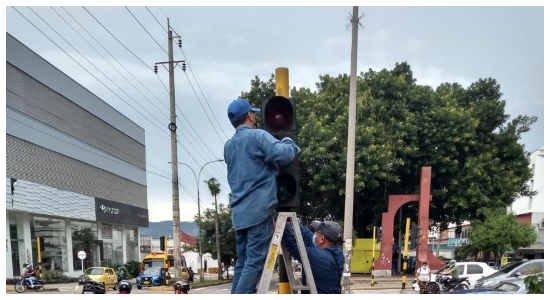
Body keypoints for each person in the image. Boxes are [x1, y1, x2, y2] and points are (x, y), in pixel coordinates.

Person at [224, 98, 301, 294]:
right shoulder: (258, 136)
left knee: (243, 263)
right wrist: (289, 142)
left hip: (239, 214)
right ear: (249, 115)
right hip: (258, 211)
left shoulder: (229, 146)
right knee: (255, 264)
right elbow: (283, 154)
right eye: (253, 113)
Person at [281, 220, 345, 294]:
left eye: (317, 232)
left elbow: (293, 246)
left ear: (321, 239)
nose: (314, 234)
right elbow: (308, 236)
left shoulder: (318, 256)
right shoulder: (338, 253)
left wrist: (285, 226)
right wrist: (293, 224)